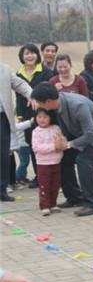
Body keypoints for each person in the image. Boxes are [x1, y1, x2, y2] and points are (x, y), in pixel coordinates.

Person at [30, 82, 93, 216]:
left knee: (83, 160)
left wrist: (68, 144)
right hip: (80, 135)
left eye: (40, 103)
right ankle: (74, 197)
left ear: (48, 101)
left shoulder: (77, 105)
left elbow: (90, 135)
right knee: (63, 159)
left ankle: (92, 204)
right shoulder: (56, 103)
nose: (39, 106)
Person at [16, 44, 54, 189]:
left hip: (44, 112)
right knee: (33, 146)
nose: (29, 56)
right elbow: (18, 97)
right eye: (26, 54)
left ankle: (50, 174)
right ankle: (38, 176)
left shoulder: (45, 72)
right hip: (27, 115)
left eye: (32, 53)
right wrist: (20, 115)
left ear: (38, 55)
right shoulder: (18, 74)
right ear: (22, 56)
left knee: (46, 143)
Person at [1, 63, 33, 202]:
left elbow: (20, 84)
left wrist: (32, 95)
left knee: (3, 155)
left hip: (2, 118)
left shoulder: (5, 70)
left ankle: (2, 189)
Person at [31, 108, 64, 216]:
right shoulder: (36, 132)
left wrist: (62, 144)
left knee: (55, 184)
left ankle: (53, 204)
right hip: (42, 163)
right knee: (44, 185)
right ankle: (44, 205)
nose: (42, 119)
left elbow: (62, 141)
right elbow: (36, 147)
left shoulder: (56, 128)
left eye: (45, 117)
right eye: (39, 117)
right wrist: (53, 146)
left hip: (56, 161)